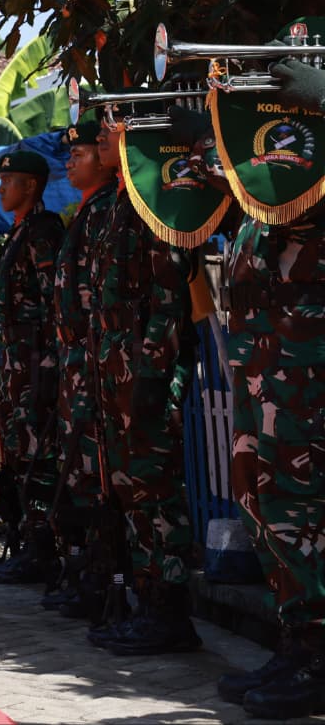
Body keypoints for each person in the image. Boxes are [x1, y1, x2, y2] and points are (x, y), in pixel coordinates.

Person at [211, 57, 325, 719]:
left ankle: (316, 650)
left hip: (306, 373)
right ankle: (297, 636)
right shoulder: (271, 186)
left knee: (304, 503)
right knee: (261, 495)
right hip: (263, 370)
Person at [87, 118, 198, 656]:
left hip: (144, 371)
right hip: (119, 368)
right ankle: (150, 602)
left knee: (157, 491)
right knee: (133, 490)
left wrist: (154, 373)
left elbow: (168, 296)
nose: (101, 137)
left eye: (112, 131)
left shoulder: (153, 204)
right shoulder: (121, 205)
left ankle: (172, 610)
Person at [46, 120, 120, 615]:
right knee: (82, 477)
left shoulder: (113, 209)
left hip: (108, 371)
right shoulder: (89, 212)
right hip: (83, 370)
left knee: (106, 481)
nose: (70, 161)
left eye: (82, 152)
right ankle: (92, 576)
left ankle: (121, 587)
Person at [0, 150, 66, 581]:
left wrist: (48, 367)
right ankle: (30, 543)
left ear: (30, 186)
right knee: (19, 456)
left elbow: (53, 303)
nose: (1, 189)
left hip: (36, 366)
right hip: (14, 367)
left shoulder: (43, 233)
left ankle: (46, 549)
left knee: (40, 458)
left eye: (8, 181)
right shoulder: (18, 233)